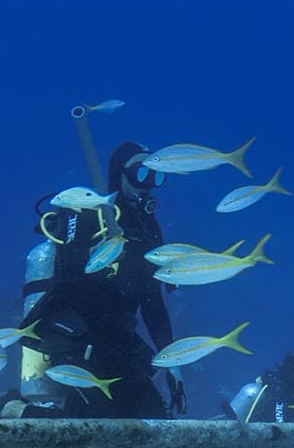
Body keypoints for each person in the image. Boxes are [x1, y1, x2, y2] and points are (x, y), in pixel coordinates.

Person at [15, 142, 183, 417]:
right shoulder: (91, 213)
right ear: (120, 174)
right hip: (74, 340)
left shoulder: (149, 229)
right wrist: (92, 252)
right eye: (141, 173)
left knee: (153, 417)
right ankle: (11, 409)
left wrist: (174, 363)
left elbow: (153, 302)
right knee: (90, 421)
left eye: (157, 175)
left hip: (119, 343)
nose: (149, 183)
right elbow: (69, 280)